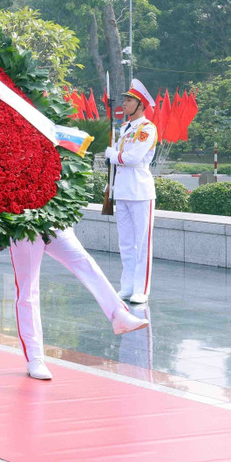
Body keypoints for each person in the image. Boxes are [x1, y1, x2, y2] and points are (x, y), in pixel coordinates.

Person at [9, 227, 150, 379]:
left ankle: (118, 313)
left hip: (54, 222)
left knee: (84, 261)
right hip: (23, 225)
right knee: (28, 290)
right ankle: (34, 358)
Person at [104, 79, 158, 304]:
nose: (124, 103)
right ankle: (127, 286)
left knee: (142, 243)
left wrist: (112, 155)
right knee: (125, 243)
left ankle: (141, 289)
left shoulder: (147, 129)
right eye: (125, 100)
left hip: (140, 191)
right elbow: (120, 161)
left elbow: (134, 158)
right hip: (122, 190)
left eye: (129, 100)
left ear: (140, 105)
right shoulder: (124, 128)